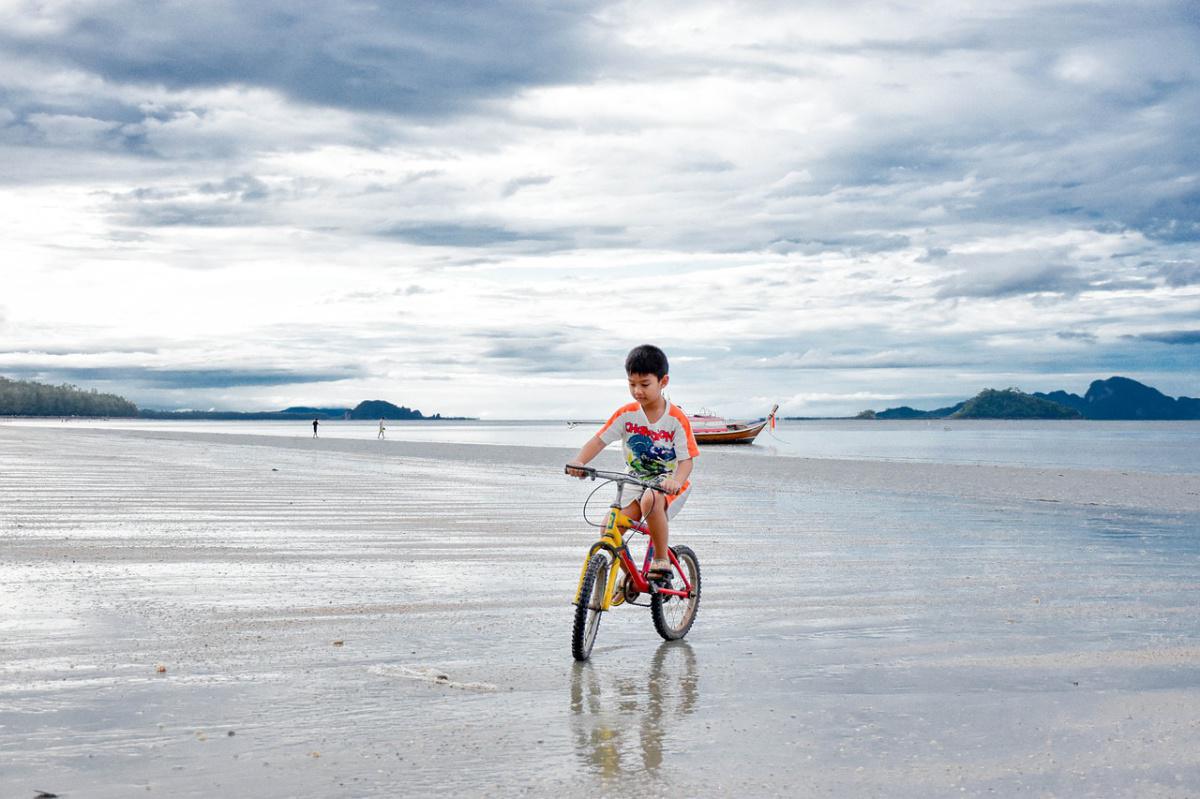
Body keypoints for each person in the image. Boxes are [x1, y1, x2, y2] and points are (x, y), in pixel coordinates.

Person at [566, 344, 698, 579]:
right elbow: (598, 441)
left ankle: (661, 558)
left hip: (668, 484)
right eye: (632, 384)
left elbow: (686, 462)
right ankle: (631, 577)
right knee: (609, 528)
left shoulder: (676, 419)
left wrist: (675, 481)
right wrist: (579, 461)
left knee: (651, 499)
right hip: (634, 480)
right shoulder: (626, 414)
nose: (637, 390)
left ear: (663, 381)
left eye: (645, 384)